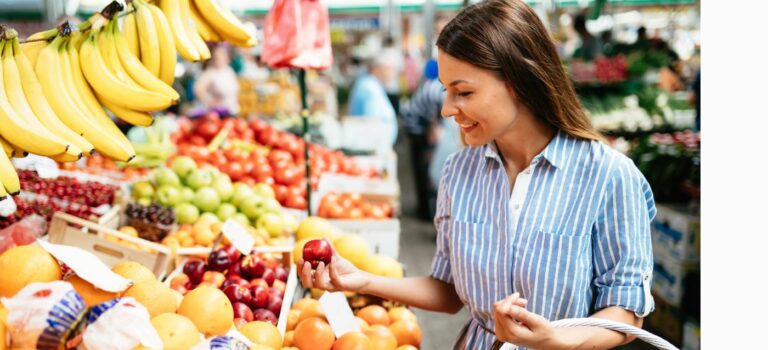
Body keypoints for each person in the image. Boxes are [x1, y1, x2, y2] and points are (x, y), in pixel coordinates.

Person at [298, 1, 656, 349]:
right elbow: (448, 289)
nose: (446, 108)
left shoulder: (609, 176)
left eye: (463, 92)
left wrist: (557, 340)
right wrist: (361, 280)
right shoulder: (460, 171)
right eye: (446, 90)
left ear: (519, 82)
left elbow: (625, 314)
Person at [400, 59, 445, 220]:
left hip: (417, 124)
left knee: (424, 166)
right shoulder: (439, 90)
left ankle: (424, 208)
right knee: (423, 166)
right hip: (416, 128)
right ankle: (425, 211)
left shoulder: (436, 86)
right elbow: (434, 119)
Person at [347, 53, 399, 146]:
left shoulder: (371, 85)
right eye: (390, 69)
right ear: (377, 69)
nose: (393, 73)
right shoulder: (369, 88)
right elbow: (372, 125)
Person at [193, 44, 240, 116]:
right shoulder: (210, 72)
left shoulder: (229, 70)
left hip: (233, 111)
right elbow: (198, 89)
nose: (220, 58)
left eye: (222, 56)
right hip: (219, 114)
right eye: (217, 57)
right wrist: (209, 100)